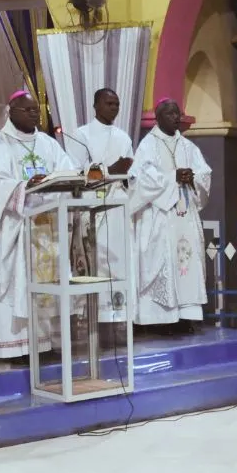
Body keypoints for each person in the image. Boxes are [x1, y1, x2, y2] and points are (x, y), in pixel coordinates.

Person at [0, 91, 76, 360]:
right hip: (13, 230)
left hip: (46, 229)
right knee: (15, 285)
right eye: (27, 110)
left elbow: (66, 171)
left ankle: (44, 344)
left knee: (47, 286)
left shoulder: (48, 144)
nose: (34, 114)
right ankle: (16, 347)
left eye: (37, 110)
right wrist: (24, 186)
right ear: (10, 111)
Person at [129, 98, 212, 334]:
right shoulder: (148, 145)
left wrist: (193, 177)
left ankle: (185, 317)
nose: (176, 117)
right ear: (158, 117)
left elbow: (205, 173)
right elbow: (141, 179)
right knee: (163, 261)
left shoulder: (188, 146)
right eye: (169, 114)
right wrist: (173, 177)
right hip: (161, 217)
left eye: (177, 113)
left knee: (187, 263)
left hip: (185, 216)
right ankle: (162, 320)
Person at [69, 88, 135, 324]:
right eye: (109, 103)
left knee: (119, 260)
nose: (114, 108)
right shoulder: (81, 135)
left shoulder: (123, 137)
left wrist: (127, 174)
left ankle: (119, 315)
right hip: (92, 208)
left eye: (117, 104)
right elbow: (75, 172)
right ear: (96, 106)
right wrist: (110, 171)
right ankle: (92, 314)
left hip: (118, 206)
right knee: (96, 261)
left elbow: (132, 174)